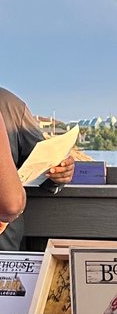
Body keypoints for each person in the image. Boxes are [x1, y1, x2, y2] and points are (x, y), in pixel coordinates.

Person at [0, 87, 75, 250]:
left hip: (5, 247)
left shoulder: (11, 106)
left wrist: (59, 173)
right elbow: (11, 205)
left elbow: (43, 161)